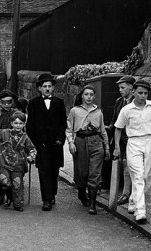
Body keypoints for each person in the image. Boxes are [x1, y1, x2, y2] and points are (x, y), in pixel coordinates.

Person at [114, 79, 151, 224]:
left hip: (150, 141)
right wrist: (117, 148)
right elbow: (118, 129)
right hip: (133, 143)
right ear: (133, 92)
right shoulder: (126, 110)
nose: (143, 96)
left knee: (146, 176)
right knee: (138, 176)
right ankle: (140, 211)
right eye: (140, 93)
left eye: (145, 93)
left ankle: (133, 199)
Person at [66, 85, 110, 215]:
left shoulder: (98, 112)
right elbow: (69, 129)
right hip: (80, 141)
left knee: (94, 174)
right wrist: (71, 143)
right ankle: (81, 192)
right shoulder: (75, 111)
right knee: (82, 173)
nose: (89, 97)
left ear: (94, 96)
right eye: (86, 94)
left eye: (91, 94)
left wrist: (106, 147)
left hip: (96, 142)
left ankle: (92, 203)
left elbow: (103, 131)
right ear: (82, 96)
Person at [26, 73, 67, 211]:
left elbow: (63, 124)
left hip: (55, 144)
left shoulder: (59, 103)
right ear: (39, 88)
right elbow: (30, 126)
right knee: (44, 171)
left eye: (50, 86)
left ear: (53, 88)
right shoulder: (33, 104)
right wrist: (33, 145)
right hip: (41, 144)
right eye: (44, 86)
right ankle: (46, 199)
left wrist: (60, 139)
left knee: (54, 170)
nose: (47, 89)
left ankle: (52, 193)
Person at [0, 111, 36, 212]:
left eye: (20, 123)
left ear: (24, 124)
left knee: (17, 184)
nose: (18, 125)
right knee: (4, 181)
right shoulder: (4, 132)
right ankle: (10, 196)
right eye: (16, 123)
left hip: (18, 165)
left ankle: (17, 203)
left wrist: (31, 156)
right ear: (11, 123)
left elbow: (32, 149)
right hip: (4, 163)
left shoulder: (25, 138)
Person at [106, 75, 135, 205]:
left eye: (122, 87)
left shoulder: (138, 101)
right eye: (119, 87)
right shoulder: (119, 101)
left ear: (131, 87)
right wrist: (109, 127)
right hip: (121, 139)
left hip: (133, 140)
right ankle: (125, 192)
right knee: (123, 163)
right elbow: (115, 120)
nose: (120, 90)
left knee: (131, 165)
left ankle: (128, 193)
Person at [0, 89, 19, 205]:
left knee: (13, 172)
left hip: (14, 147)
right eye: (3, 102)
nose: (6, 105)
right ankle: (2, 194)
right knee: (0, 172)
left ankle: (11, 196)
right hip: (0, 147)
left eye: (9, 102)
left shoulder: (16, 115)